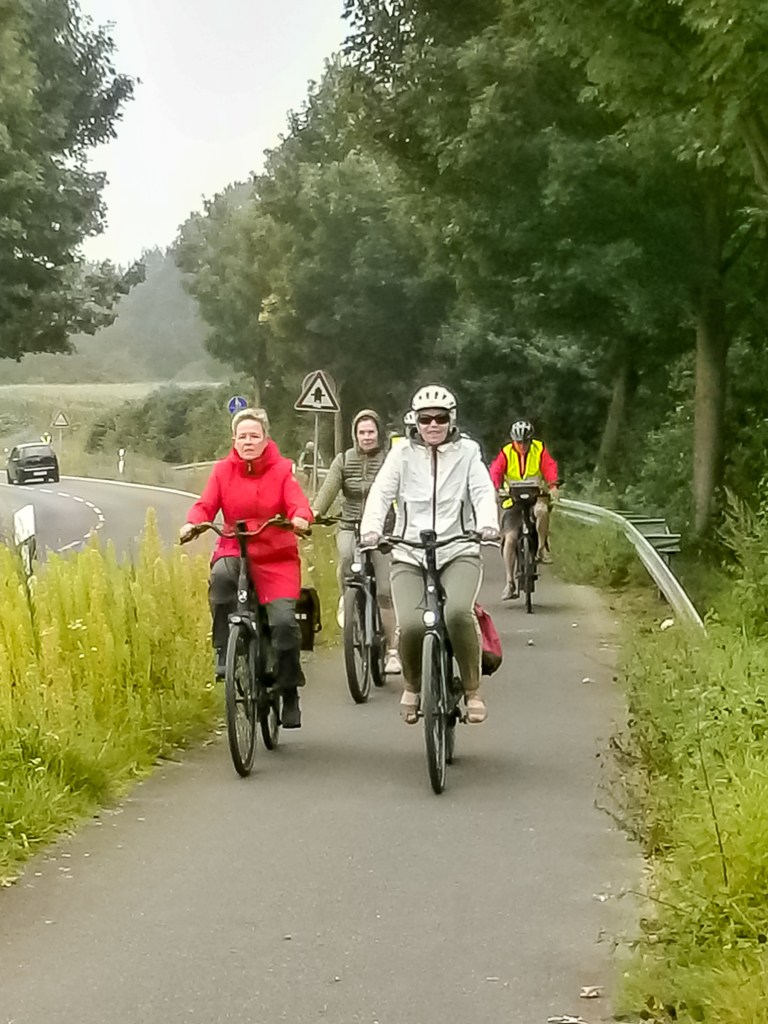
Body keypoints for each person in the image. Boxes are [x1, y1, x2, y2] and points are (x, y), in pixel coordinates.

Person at [360, 385, 499, 724]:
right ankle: (412, 685)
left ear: (452, 420)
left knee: (458, 613)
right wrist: (372, 530)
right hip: (410, 551)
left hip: (458, 547)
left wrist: (487, 524)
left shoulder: (468, 452)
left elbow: (482, 491)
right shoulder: (401, 454)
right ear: (415, 421)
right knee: (410, 625)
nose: (433, 424)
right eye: (425, 419)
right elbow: (381, 493)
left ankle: (472, 690)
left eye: (440, 418)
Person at [179, 408, 313, 729]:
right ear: (234, 440)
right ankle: (223, 649)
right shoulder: (222, 471)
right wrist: (193, 523)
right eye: (243, 436)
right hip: (235, 546)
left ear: (266, 439)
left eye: (255, 436)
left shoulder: (282, 470)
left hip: (276, 555)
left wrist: (299, 518)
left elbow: (297, 502)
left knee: (283, 622)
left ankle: (289, 690)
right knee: (221, 577)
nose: (248, 441)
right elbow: (206, 505)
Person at [312, 409, 401, 674]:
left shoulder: (390, 460)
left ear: (379, 433)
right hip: (350, 525)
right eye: (362, 432)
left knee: (384, 589)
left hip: (383, 529)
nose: (366, 437)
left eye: (371, 432)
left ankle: (392, 651)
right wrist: (314, 512)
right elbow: (328, 490)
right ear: (355, 435)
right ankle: (347, 597)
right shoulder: (343, 460)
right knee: (346, 556)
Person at [489, 419, 559, 601]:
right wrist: (496, 487)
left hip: (536, 496)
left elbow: (549, 467)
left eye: (525, 442)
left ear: (530, 440)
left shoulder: (539, 449)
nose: (522, 446)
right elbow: (496, 470)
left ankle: (542, 549)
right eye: (518, 442)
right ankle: (509, 582)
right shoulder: (506, 452)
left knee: (542, 511)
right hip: (512, 499)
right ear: (513, 440)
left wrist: (552, 485)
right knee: (510, 538)